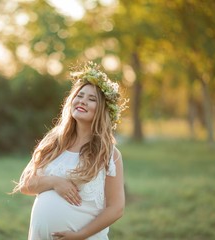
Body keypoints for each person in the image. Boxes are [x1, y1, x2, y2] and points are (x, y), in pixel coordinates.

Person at [13, 61, 129, 240]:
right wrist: (54, 182)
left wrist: (80, 235)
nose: (83, 101)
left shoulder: (109, 154)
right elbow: (25, 185)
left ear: (103, 110)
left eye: (92, 99)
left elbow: (116, 208)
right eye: (80, 95)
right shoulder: (53, 141)